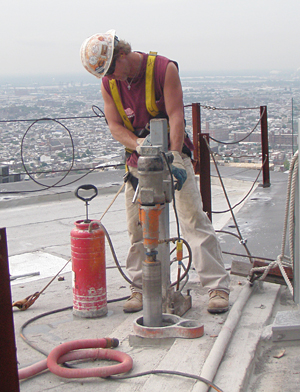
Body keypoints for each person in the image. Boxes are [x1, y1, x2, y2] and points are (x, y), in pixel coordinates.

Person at [80, 29, 230, 314]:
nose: (112, 76)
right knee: (138, 227)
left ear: (122, 53)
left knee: (192, 219)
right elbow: (115, 125)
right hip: (138, 162)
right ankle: (141, 286)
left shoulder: (163, 69)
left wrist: (173, 158)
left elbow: (175, 115)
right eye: (106, 73)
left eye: (112, 68)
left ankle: (216, 286)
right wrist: (138, 145)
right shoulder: (109, 83)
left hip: (172, 152)